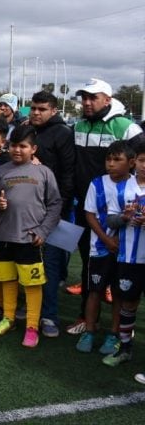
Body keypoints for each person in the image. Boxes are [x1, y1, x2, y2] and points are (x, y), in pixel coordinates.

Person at [68, 78, 142, 335]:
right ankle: (87, 320)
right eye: (84, 97)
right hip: (86, 209)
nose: (87, 102)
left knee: (123, 268)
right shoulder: (77, 125)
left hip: (121, 213)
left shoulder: (125, 126)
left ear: (107, 100)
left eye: (93, 97)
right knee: (91, 266)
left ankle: (120, 328)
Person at [0, 125, 62, 348]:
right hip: (4, 236)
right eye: (13, 146)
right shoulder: (1, 171)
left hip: (30, 238)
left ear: (33, 148)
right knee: (7, 280)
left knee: (32, 283)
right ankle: (8, 318)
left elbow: (55, 204)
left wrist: (43, 230)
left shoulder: (44, 172)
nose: (17, 150)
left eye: (23, 146)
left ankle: (31, 326)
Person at [75, 141, 131, 355]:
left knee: (119, 293)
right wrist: (106, 240)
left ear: (131, 162)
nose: (111, 164)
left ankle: (114, 334)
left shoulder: (136, 186)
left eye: (117, 160)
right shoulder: (97, 183)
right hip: (99, 248)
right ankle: (89, 330)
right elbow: (89, 214)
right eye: (109, 159)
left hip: (125, 251)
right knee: (94, 291)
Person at [28, 90, 76, 338]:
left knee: (51, 264)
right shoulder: (28, 129)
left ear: (53, 110)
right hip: (29, 207)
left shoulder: (63, 133)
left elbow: (68, 173)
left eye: (42, 109)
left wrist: (60, 209)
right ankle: (29, 311)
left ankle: (49, 315)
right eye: (34, 107)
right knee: (28, 260)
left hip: (55, 209)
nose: (36, 112)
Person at [99, 139, 145, 367]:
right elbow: (111, 219)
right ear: (135, 162)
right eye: (143, 160)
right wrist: (125, 218)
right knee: (128, 304)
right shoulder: (123, 188)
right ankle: (124, 348)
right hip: (129, 257)